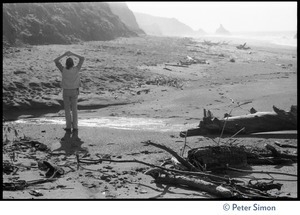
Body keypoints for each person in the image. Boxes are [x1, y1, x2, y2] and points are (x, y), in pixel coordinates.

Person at [54, 51, 85, 132]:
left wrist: (64, 55)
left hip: (66, 91)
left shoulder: (63, 69)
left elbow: (56, 61)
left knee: (67, 109)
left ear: (66, 63)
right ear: (73, 64)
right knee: (74, 109)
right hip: (74, 91)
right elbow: (82, 58)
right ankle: (75, 126)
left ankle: (68, 126)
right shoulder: (76, 69)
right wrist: (73, 54)